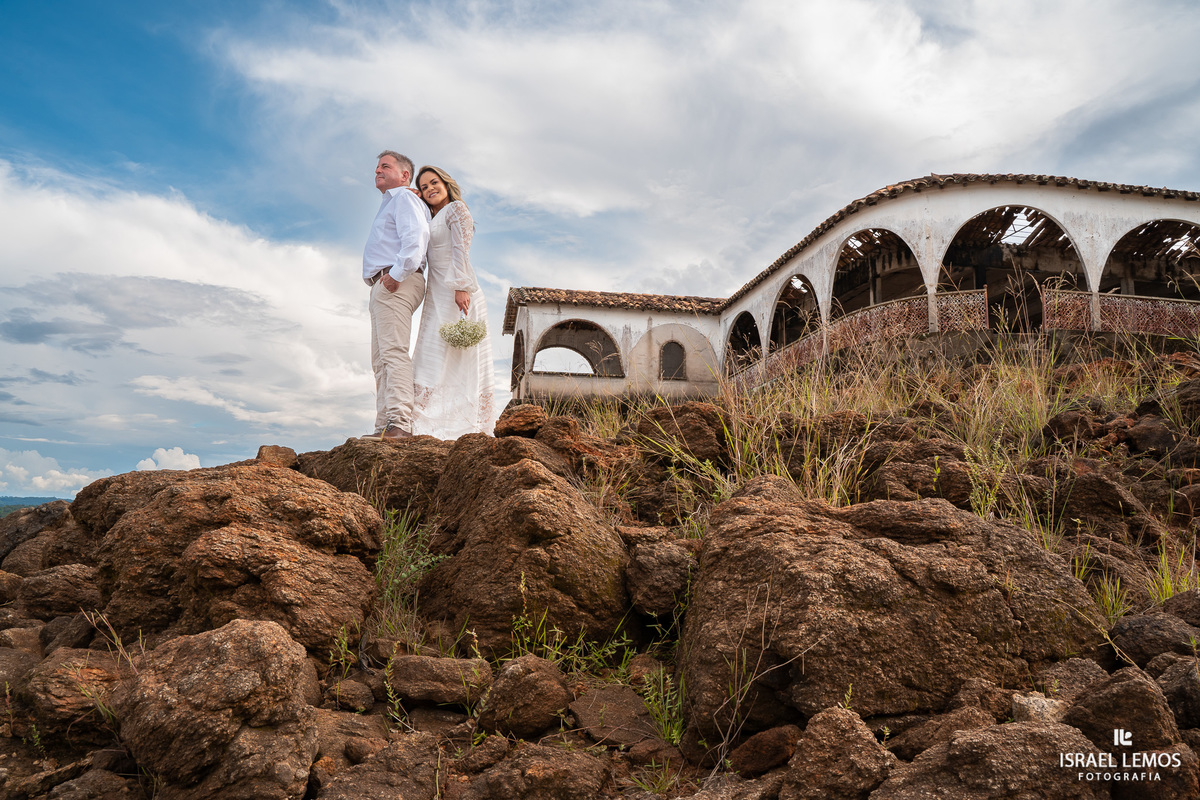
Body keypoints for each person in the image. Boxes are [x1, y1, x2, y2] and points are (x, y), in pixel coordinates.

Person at [410, 165, 496, 438]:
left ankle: (466, 426)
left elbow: (461, 248)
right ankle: (423, 423)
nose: (429, 189)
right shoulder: (432, 214)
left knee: (456, 358)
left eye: (434, 183)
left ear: (446, 184)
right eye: (423, 187)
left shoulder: (456, 209)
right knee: (430, 353)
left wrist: (461, 287)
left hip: (458, 292)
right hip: (437, 293)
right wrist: (413, 197)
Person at [361, 151, 430, 440]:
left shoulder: (403, 198)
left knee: (393, 353)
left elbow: (416, 238)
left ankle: (400, 424)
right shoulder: (394, 201)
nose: (377, 170)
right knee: (380, 360)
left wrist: (396, 275)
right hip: (385, 284)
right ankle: (383, 426)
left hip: (396, 281)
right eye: (377, 167)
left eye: (385, 166)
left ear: (404, 175)